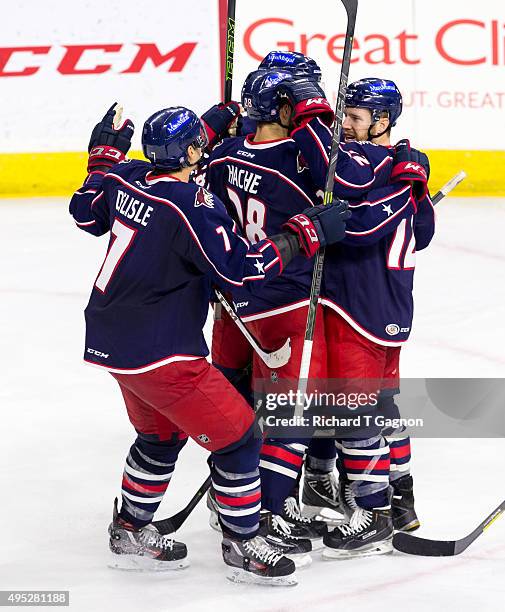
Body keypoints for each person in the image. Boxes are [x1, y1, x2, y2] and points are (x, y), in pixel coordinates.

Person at [69, 103, 349, 585]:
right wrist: (300, 235)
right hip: (164, 353)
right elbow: (240, 271)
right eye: (198, 141)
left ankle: (131, 529)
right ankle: (243, 545)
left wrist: (103, 154)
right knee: (240, 437)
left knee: (161, 436)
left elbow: (83, 212)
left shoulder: (125, 178)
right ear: (190, 151)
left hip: (111, 342)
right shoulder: (192, 207)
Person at [205, 65, 420, 557]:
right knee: (309, 411)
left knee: (257, 406)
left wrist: (217, 124)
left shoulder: (220, 155)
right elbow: (349, 187)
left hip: (236, 300)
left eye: (353, 115)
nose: (340, 121)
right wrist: (314, 126)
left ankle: (243, 497)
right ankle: (275, 510)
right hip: (296, 302)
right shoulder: (301, 163)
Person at [290, 78, 434, 557]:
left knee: (359, 409)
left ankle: (376, 513)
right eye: (342, 115)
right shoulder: (394, 165)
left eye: (354, 118)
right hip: (365, 303)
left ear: (383, 122)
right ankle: (399, 501)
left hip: (365, 307)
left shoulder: (384, 165)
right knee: (376, 405)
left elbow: (364, 229)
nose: (344, 125)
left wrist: (407, 186)